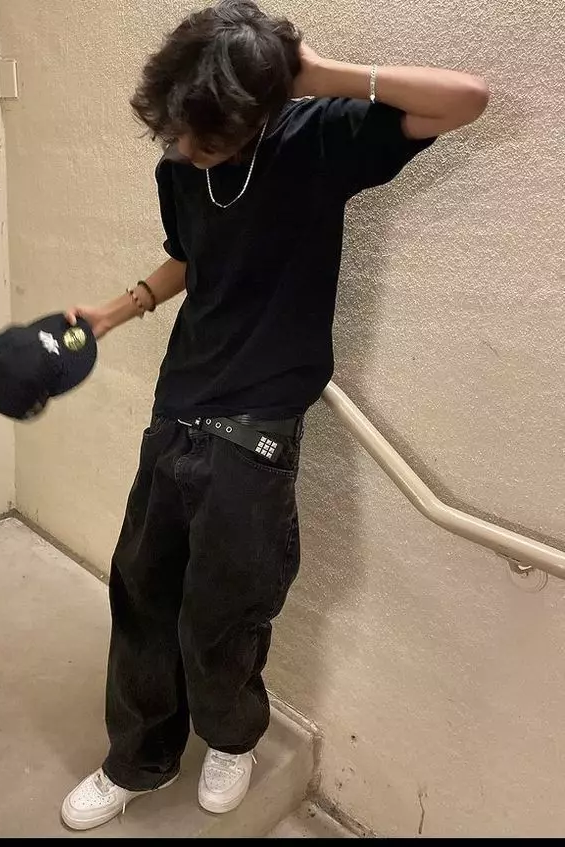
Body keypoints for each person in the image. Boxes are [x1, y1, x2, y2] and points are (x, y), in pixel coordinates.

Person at [60, 0, 488, 831]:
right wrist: (120, 307)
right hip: (179, 401)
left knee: (224, 605)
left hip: (259, 418)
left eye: (202, 138)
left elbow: (465, 98)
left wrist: (315, 73)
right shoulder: (179, 164)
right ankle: (137, 758)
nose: (182, 150)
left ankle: (231, 738)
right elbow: (190, 255)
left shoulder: (315, 140)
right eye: (174, 133)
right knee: (142, 590)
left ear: (258, 115)